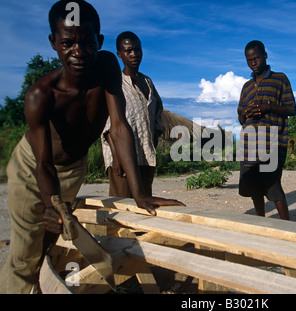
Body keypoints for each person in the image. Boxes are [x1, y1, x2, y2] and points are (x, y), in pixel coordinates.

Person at [0, 0, 183, 294]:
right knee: (24, 254)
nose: (78, 52)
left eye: (86, 43)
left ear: (99, 41)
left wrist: (139, 195)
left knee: (53, 238)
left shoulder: (107, 66)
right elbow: (43, 164)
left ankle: (42, 287)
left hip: (74, 166)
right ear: (53, 43)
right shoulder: (41, 95)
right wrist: (52, 203)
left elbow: (120, 127)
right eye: (68, 43)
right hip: (32, 166)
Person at [237, 40, 296, 220]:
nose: (253, 63)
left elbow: (292, 109)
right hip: (250, 142)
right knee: (254, 186)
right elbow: (240, 116)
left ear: (265, 55)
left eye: (256, 58)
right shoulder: (246, 87)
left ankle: (288, 227)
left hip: (273, 141)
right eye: (249, 60)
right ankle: (260, 222)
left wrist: (267, 107)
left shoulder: (280, 79)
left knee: (273, 185)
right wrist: (246, 114)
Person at [102, 31, 164, 197]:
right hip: (122, 157)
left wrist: (156, 133)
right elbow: (108, 125)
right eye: (128, 51)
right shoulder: (115, 83)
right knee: (122, 204)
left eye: (137, 50)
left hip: (145, 154)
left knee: (145, 202)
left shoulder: (148, 82)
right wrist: (116, 156)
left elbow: (158, 109)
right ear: (120, 54)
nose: (134, 54)